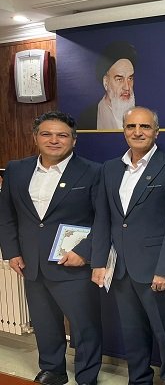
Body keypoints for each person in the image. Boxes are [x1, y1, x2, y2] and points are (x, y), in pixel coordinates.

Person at [0, 111, 102, 385]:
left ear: (74, 140)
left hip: (73, 264)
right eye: (46, 134)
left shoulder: (93, 171)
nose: (54, 140)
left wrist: (85, 253)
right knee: (44, 323)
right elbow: (6, 214)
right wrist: (11, 252)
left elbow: (103, 219)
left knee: (85, 325)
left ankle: (87, 376)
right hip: (31, 263)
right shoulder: (16, 169)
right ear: (35, 137)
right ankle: (53, 370)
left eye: (62, 135)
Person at [90, 106, 165, 385]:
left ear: (156, 132)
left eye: (144, 127)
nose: (137, 132)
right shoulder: (110, 168)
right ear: (124, 131)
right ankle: (139, 380)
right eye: (131, 127)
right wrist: (99, 262)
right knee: (132, 333)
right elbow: (103, 218)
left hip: (156, 270)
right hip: (121, 270)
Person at [78, 41, 136, 130]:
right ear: (106, 82)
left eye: (130, 78)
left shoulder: (142, 114)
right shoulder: (89, 118)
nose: (127, 87)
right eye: (119, 79)